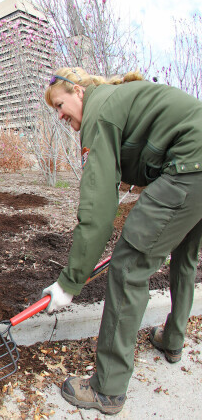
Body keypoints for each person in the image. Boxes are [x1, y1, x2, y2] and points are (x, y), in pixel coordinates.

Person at [41, 67, 202, 415]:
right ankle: (172, 340)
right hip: (195, 163)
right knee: (185, 257)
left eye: (59, 104)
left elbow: (99, 206)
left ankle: (107, 388)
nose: (59, 115)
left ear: (79, 91)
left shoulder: (100, 112)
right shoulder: (119, 101)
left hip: (191, 164)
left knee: (129, 265)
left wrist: (70, 281)